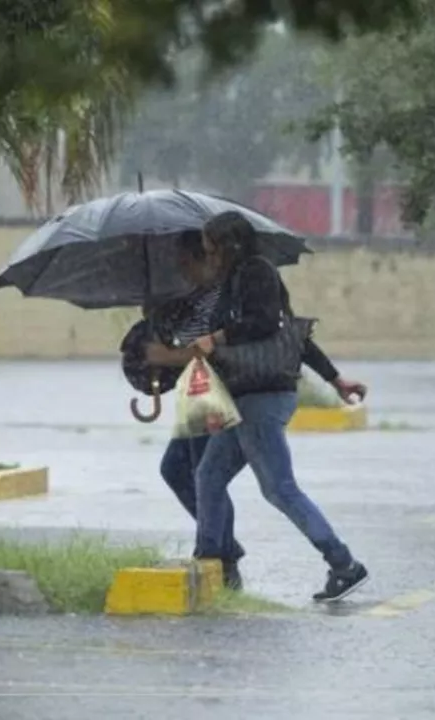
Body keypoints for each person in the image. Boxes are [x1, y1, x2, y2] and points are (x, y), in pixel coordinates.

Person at [153, 212, 369, 602]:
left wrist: (215, 338)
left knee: (279, 489)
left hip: (263, 397)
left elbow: (269, 324)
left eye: (211, 248)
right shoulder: (235, 282)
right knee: (209, 476)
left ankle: (344, 564)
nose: (209, 255)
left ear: (229, 245)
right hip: (245, 397)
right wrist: (336, 379)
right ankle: (212, 561)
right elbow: (295, 336)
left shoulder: (256, 272)